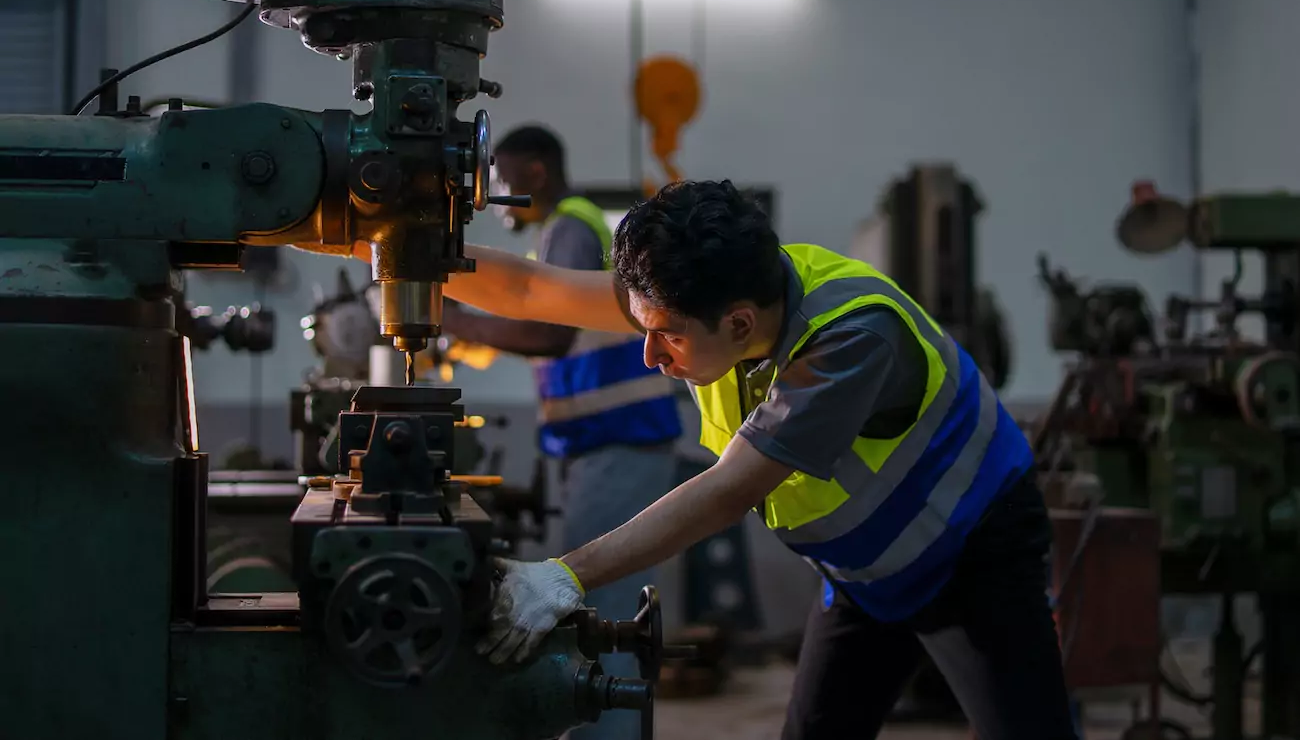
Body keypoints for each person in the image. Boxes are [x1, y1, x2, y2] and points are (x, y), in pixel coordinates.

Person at [343, 179, 1077, 740]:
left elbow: (729, 489)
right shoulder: (706, 299)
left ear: (739, 323)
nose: (648, 353)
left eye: (664, 336)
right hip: (864, 575)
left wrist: (566, 574)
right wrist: (367, 237)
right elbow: (533, 288)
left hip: (971, 556)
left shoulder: (852, 338)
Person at [437, 124, 685, 740]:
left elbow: (550, 333)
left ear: (537, 172)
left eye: (502, 172)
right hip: (604, 444)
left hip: (620, 441)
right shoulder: (563, 230)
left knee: (592, 608)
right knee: (598, 604)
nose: (494, 187)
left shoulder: (571, 224)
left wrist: (457, 319)